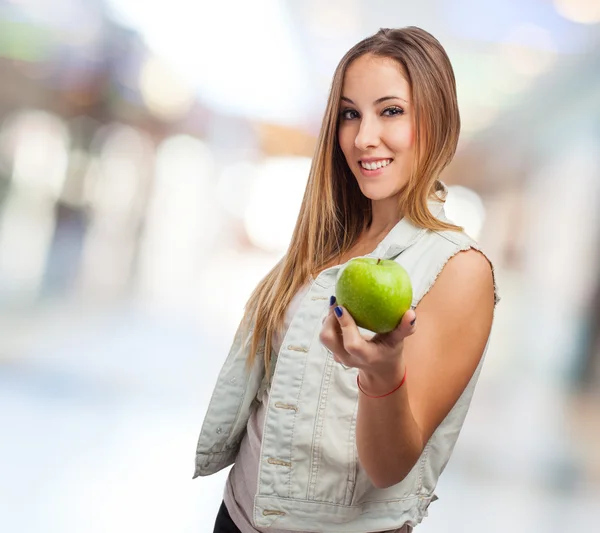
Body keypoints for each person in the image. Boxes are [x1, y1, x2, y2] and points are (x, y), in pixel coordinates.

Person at [194, 26, 499, 533]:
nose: (363, 138)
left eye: (391, 111)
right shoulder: (325, 242)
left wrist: (382, 376)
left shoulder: (459, 269)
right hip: (237, 518)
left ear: (437, 118)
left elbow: (389, 467)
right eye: (350, 114)